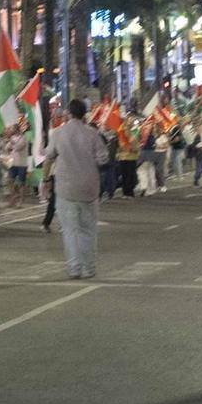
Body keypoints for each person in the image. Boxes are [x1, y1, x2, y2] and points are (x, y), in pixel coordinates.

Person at [41, 98, 112, 280]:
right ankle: (88, 267)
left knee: (70, 230)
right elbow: (103, 159)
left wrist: (46, 179)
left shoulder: (57, 133)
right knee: (88, 230)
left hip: (65, 188)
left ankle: (74, 268)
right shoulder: (93, 134)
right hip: (89, 188)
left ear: (68, 113)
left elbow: (48, 157)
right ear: (84, 114)